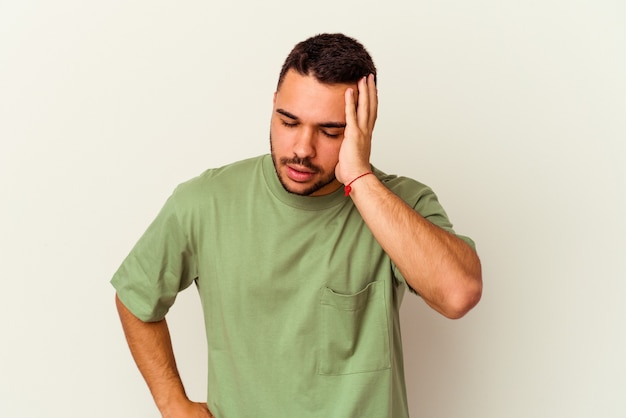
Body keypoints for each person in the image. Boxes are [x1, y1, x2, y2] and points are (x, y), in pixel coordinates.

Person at [112, 33, 482, 418]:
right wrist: (173, 403)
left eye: (330, 132)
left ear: (361, 127)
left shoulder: (399, 204)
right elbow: (136, 297)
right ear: (272, 106)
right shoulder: (205, 201)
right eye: (288, 122)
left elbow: (458, 294)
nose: (302, 148)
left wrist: (359, 178)